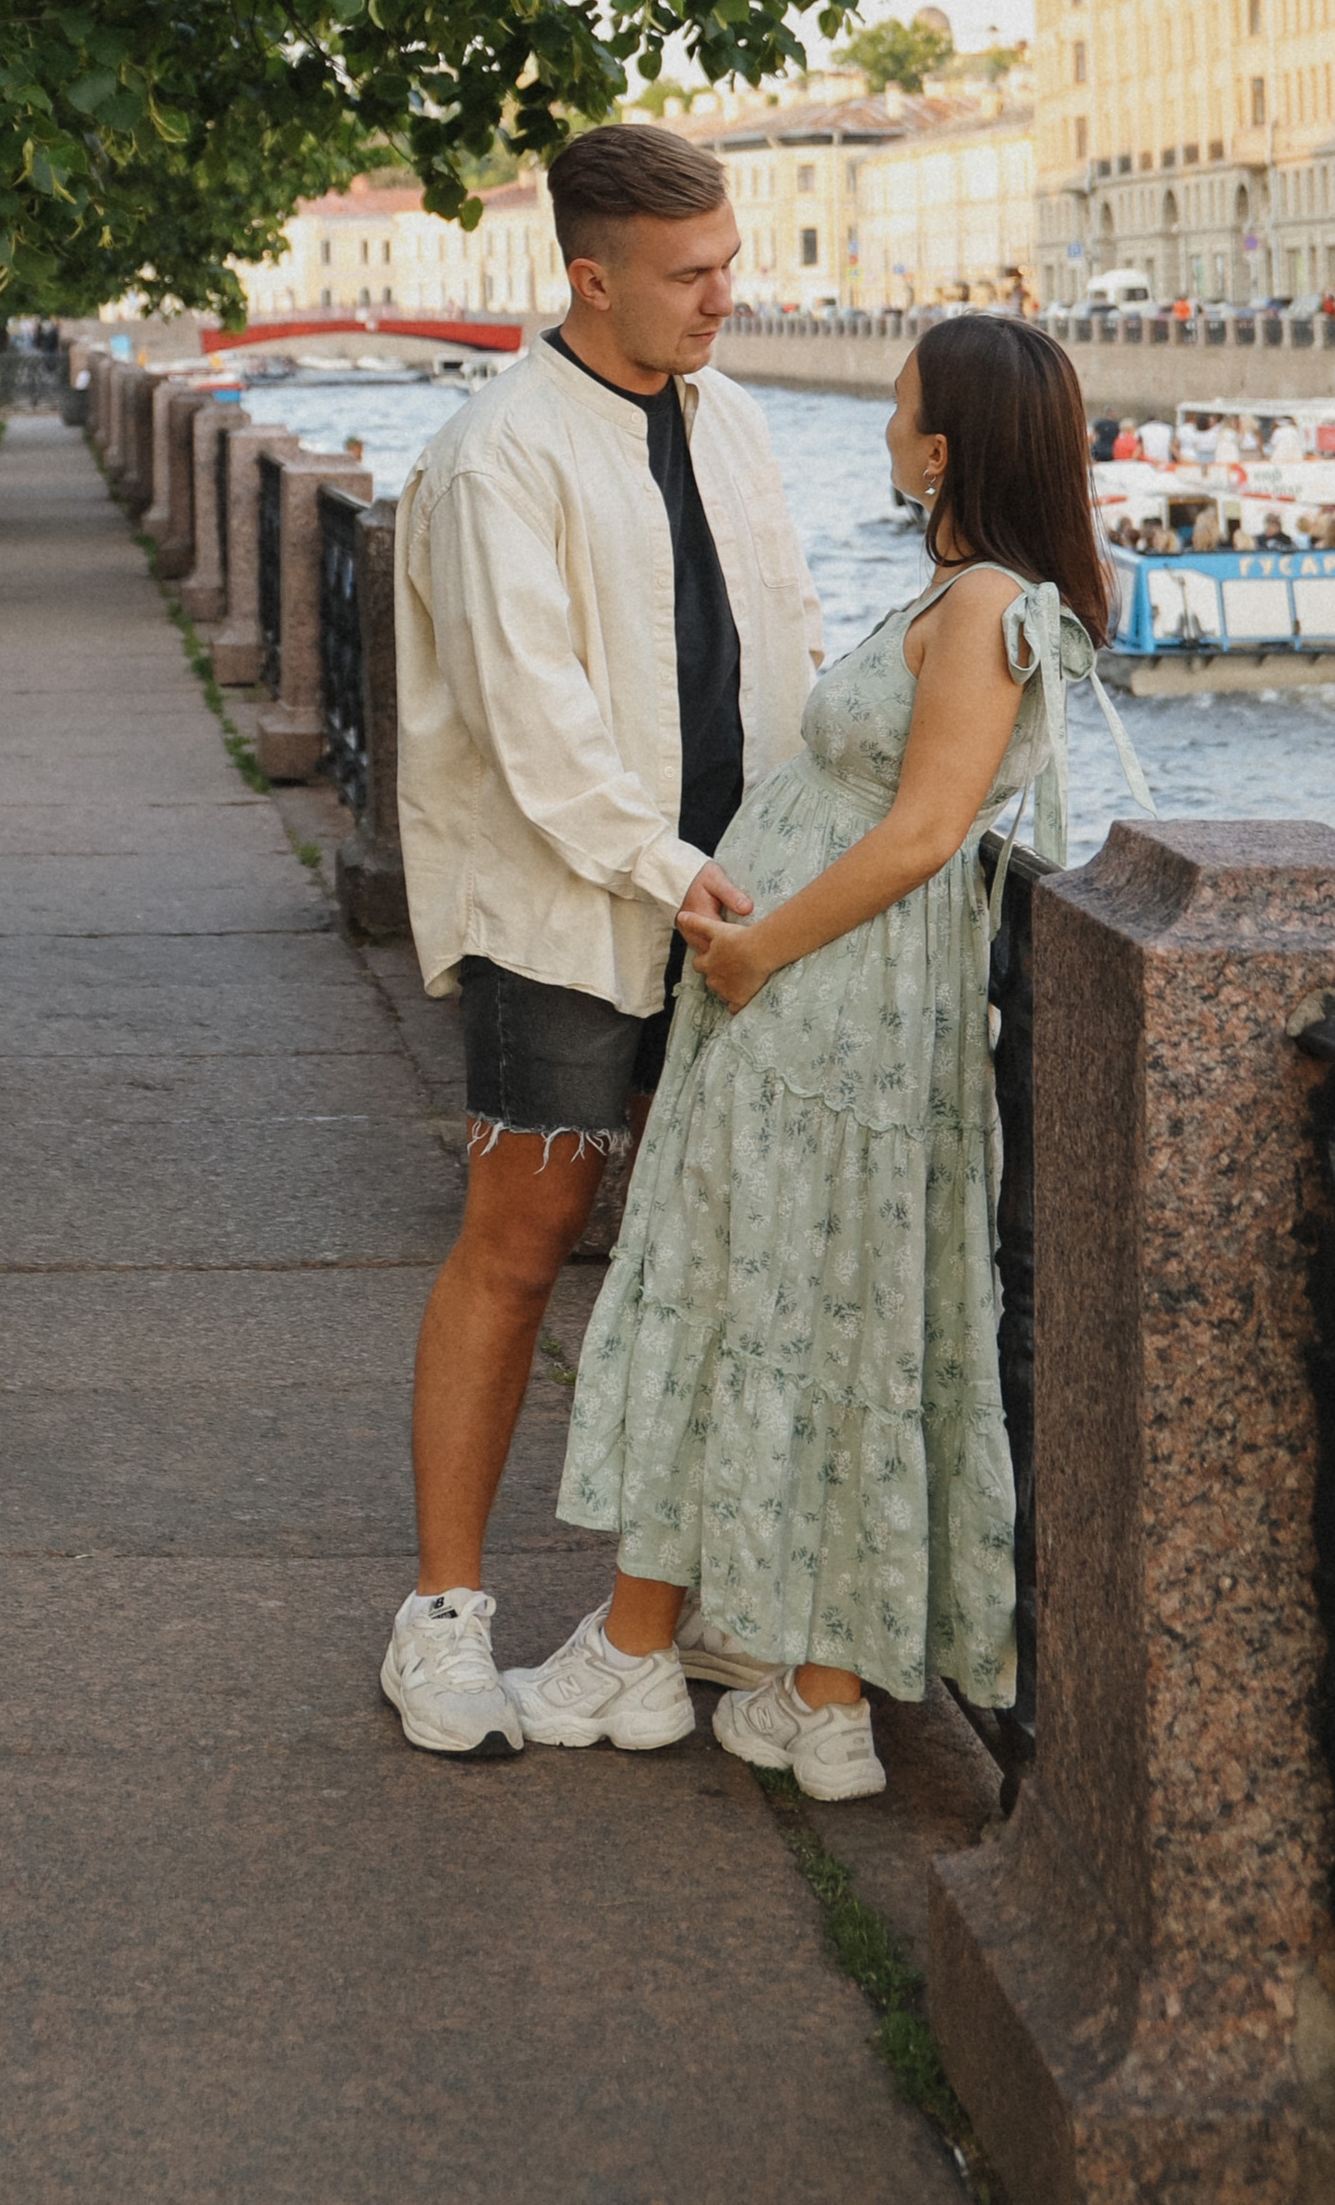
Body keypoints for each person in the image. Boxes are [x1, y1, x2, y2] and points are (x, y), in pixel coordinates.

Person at [524, 314, 1148, 1800]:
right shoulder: (972, 591)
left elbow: (927, 832)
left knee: (736, 1289)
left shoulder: (987, 600)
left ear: (941, 449)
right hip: (851, 1004)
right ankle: (817, 1697)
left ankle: (635, 1650)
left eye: (898, 407)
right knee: (836, 1313)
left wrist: (754, 949)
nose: (881, 425)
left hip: (826, 1006)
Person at [377, 121, 824, 1758]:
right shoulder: (498, 453)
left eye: (728, 262)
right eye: (693, 275)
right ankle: (442, 1617)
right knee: (521, 1234)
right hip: (573, 913)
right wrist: (672, 869)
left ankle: (682, 1612)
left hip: (738, 902)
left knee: (716, 1246)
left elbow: (788, 653)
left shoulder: (738, 424)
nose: (726, 296)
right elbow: (531, 726)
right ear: (591, 276)